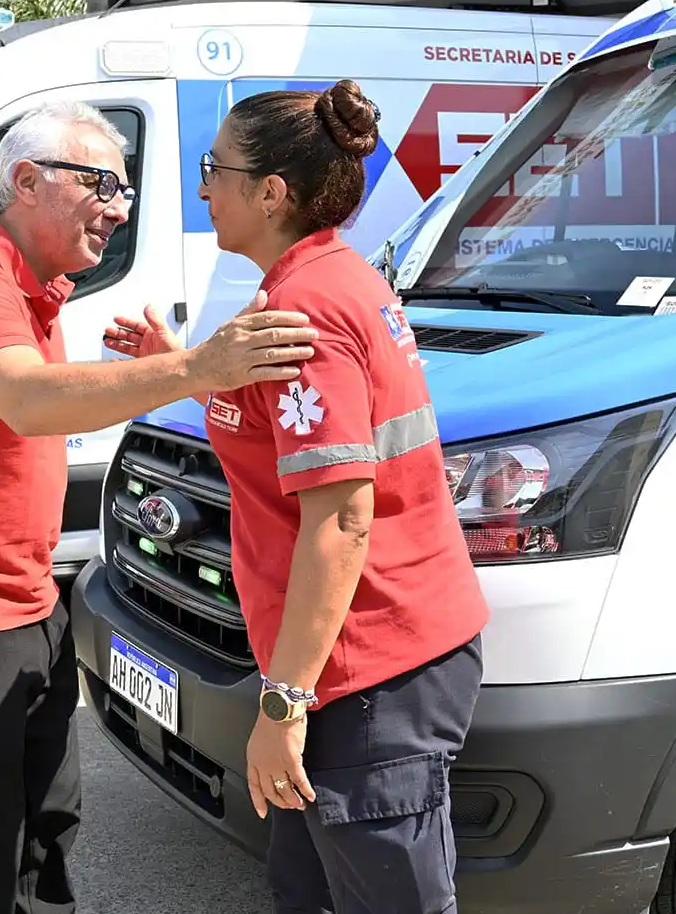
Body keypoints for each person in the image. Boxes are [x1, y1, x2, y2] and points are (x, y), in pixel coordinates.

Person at [0, 99, 319, 914]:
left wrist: (175, 367)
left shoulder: (33, 288)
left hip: (23, 604)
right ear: (26, 181)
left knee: (45, 835)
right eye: (102, 181)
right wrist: (200, 368)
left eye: (124, 189)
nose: (120, 205)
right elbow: (29, 400)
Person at [106, 80, 490, 914]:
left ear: (271, 192)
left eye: (216, 170)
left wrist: (283, 704)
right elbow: (263, 433)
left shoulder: (305, 309)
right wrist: (179, 362)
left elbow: (343, 519)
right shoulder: (312, 283)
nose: (205, 188)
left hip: (365, 673)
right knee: (305, 888)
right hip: (344, 665)